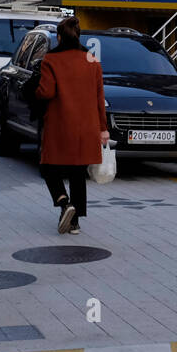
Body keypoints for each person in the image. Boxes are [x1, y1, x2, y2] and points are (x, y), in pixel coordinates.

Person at [35, 16, 109, 235]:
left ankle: (64, 202)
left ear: (59, 37)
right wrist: (103, 128)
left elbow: (46, 92)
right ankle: (74, 223)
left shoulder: (51, 60)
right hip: (86, 126)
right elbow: (99, 97)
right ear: (78, 36)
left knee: (48, 167)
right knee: (78, 173)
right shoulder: (91, 59)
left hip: (60, 124)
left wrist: (36, 91)